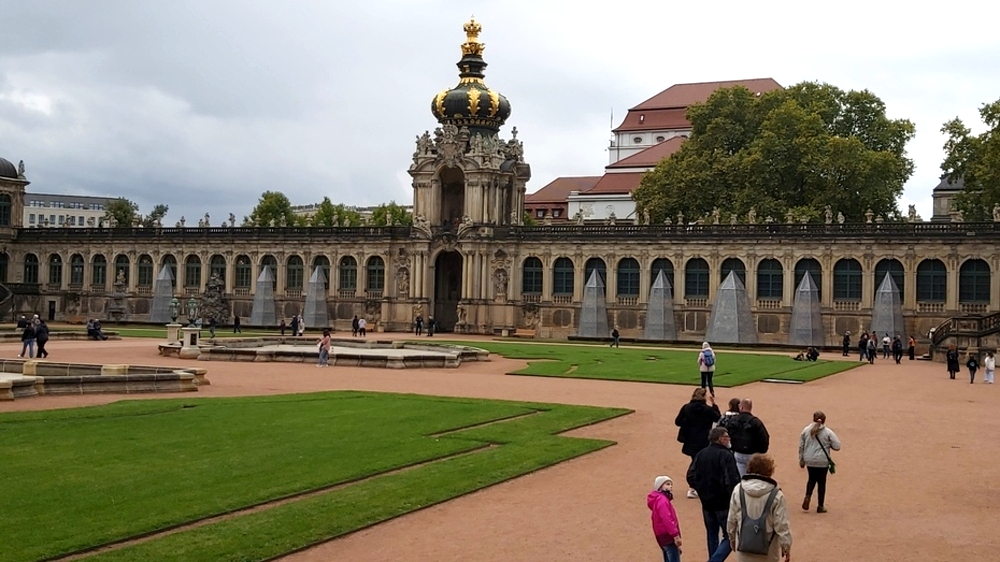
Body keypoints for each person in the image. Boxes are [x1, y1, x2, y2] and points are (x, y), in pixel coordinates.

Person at [687, 427, 740, 562]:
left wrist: (702, 491)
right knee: (730, 536)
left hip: (706, 503)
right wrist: (732, 498)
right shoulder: (726, 455)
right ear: (721, 439)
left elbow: (691, 476)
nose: (729, 439)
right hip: (723, 503)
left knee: (712, 535)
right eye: (727, 436)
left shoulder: (701, 453)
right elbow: (732, 480)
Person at [727, 454, 792, 562]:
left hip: (744, 546)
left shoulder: (738, 490)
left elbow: (731, 518)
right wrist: (786, 547)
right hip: (768, 549)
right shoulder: (776, 495)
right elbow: (782, 524)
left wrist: (732, 538)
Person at [675, 388, 721, 499]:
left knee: (696, 461)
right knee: (698, 463)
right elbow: (718, 418)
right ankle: (693, 486)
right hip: (704, 440)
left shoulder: (686, 408)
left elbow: (678, 422)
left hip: (690, 439)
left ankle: (696, 486)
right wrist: (714, 405)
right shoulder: (708, 409)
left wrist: (687, 422)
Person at [798, 411, 841, 514]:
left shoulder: (806, 430)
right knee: (822, 483)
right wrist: (828, 444)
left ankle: (808, 496)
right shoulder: (828, 432)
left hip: (809, 460)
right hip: (822, 460)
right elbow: (837, 446)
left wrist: (801, 460)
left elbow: (801, 446)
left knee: (811, 479)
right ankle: (820, 506)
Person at [728, 398, 770, 477]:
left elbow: (727, 435)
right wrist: (761, 451)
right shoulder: (756, 422)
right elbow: (764, 437)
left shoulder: (733, 420)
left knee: (740, 477)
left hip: (738, 453)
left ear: (741, 407)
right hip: (752, 454)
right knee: (753, 476)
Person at [648, 475, 683, 562]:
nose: (670, 486)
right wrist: (675, 535)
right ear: (660, 487)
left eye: (671, 484)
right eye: (667, 484)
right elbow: (667, 519)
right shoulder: (662, 500)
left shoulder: (658, 500)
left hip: (662, 535)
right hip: (668, 535)